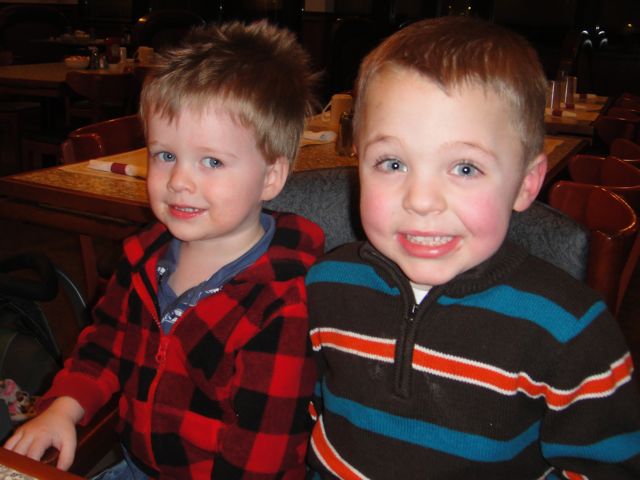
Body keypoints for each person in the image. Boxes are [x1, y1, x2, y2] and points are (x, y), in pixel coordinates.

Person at [305, 16, 640, 479]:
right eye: (393, 163)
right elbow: (309, 410)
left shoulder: (571, 329)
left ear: (526, 184)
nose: (421, 200)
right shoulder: (324, 284)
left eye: (465, 168)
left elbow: (609, 467)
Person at [5, 20, 323, 479]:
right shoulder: (143, 258)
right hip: (137, 464)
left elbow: (262, 455)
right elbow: (106, 345)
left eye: (211, 161)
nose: (179, 181)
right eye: (165, 155)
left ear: (271, 177)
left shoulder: (281, 304)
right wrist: (64, 407)